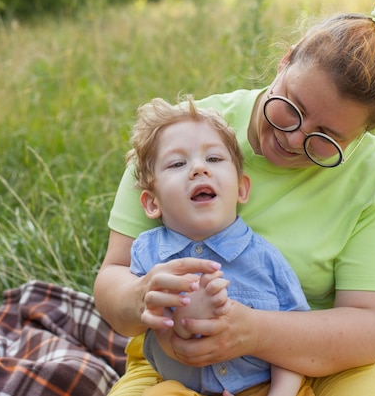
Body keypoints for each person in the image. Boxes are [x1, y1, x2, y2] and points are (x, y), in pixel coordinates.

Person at [94, 0, 375, 395]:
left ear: (359, 138)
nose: (293, 137)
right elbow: (113, 278)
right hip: (179, 360)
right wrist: (141, 296)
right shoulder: (182, 140)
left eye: (326, 137)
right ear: (285, 62)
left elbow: (369, 325)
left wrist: (250, 332)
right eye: (291, 107)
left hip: (325, 361)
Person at [126, 96, 311, 396]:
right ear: (152, 202)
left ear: (241, 188)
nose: (199, 169)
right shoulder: (148, 254)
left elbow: (296, 340)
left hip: (260, 387)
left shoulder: (265, 259)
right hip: (179, 387)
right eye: (177, 163)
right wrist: (184, 319)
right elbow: (154, 332)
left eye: (213, 159)